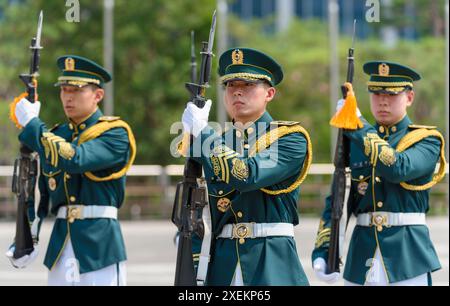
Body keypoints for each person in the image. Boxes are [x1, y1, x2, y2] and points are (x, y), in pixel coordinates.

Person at [180, 48, 312, 285]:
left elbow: (246, 174)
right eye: (230, 85)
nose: (237, 91)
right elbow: (195, 208)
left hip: (271, 263)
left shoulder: (290, 138)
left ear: (269, 93)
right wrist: (195, 264)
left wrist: (204, 134)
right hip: (222, 267)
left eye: (248, 85)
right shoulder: (215, 141)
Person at [312, 61, 446, 286]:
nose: (383, 100)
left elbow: (396, 167)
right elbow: (338, 199)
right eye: (376, 93)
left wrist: (358, 126)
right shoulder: (356, 139)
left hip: (408, 259)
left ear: (409, 97)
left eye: (391, 94)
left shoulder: (425, 140)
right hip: (361, 257)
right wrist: (325, 250)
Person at [7, 55, 136, 286]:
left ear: (98, 95)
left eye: (76, 90)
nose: (67, 96)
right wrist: (27, 237)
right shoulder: (56, 135)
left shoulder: (116, 133)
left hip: (100, 247)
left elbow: (76, 158)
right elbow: (42, 197)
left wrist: (33, 125)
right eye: (64, 89)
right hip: (60, 247)